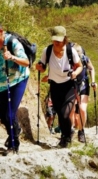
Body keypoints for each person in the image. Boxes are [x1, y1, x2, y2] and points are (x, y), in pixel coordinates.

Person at [35, 26, 82, 148]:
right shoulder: (48, 50)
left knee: (65, 113)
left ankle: (66, 137)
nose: (56, 42)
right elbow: (43, 66)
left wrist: (75, 73)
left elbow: (79, 66)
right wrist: (40, 67)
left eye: (59, 40)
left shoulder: (71, 51)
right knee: (60, 114)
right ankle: (66, 135)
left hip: (69, 85)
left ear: (64, 39)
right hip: (55, 86)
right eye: (55, 39)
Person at [0, 26, 30, 154]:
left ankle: (13, 145)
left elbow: (26, 62)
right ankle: (16, 130)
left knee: (9, 114)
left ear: (1, 32)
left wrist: (12, 57)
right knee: (2, 114)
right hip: (2, 83)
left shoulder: (12, 42)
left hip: (18, 80)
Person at [71, 44, 97, 143]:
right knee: (71, 108)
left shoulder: (85, 59)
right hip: (72, 83)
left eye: (79, 55)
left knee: (82, 108)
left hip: (83, 84)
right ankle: (71, 129)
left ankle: (81, 131)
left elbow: (91, 68)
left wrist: (93, 81)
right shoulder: (69, 60)